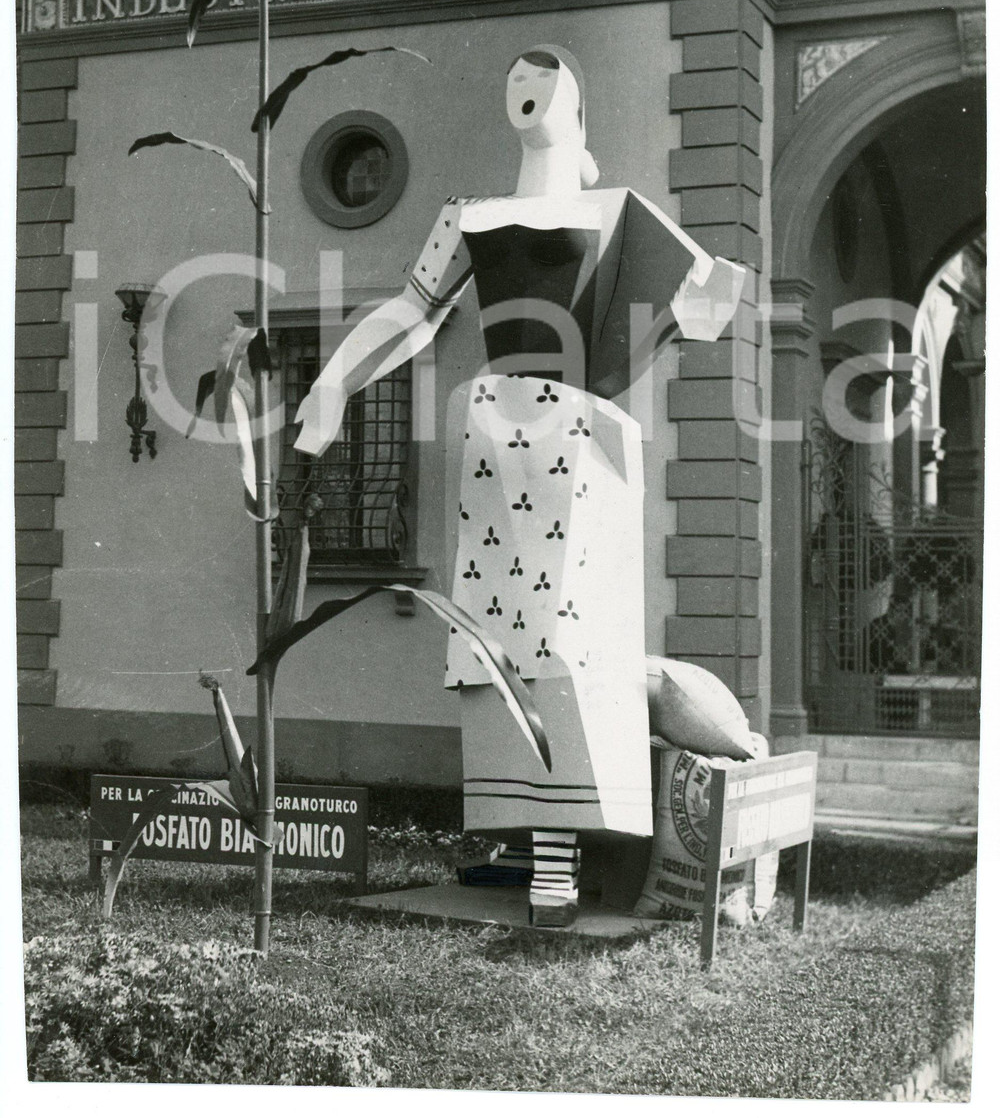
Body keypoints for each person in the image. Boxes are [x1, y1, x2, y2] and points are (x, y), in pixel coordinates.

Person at [294, 46, 744, 925]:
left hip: (582, 439)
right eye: (510, 77)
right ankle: (532, 837)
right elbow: (411, 311)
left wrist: (633, 354)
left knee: (570, 645)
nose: (522, 86)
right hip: (498, 435)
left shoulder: (615, 207)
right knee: (491, 647)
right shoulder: (469, 215)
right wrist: (334, 381)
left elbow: (713, 295)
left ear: (574, 99)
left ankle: (558, 857)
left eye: (540, 76)